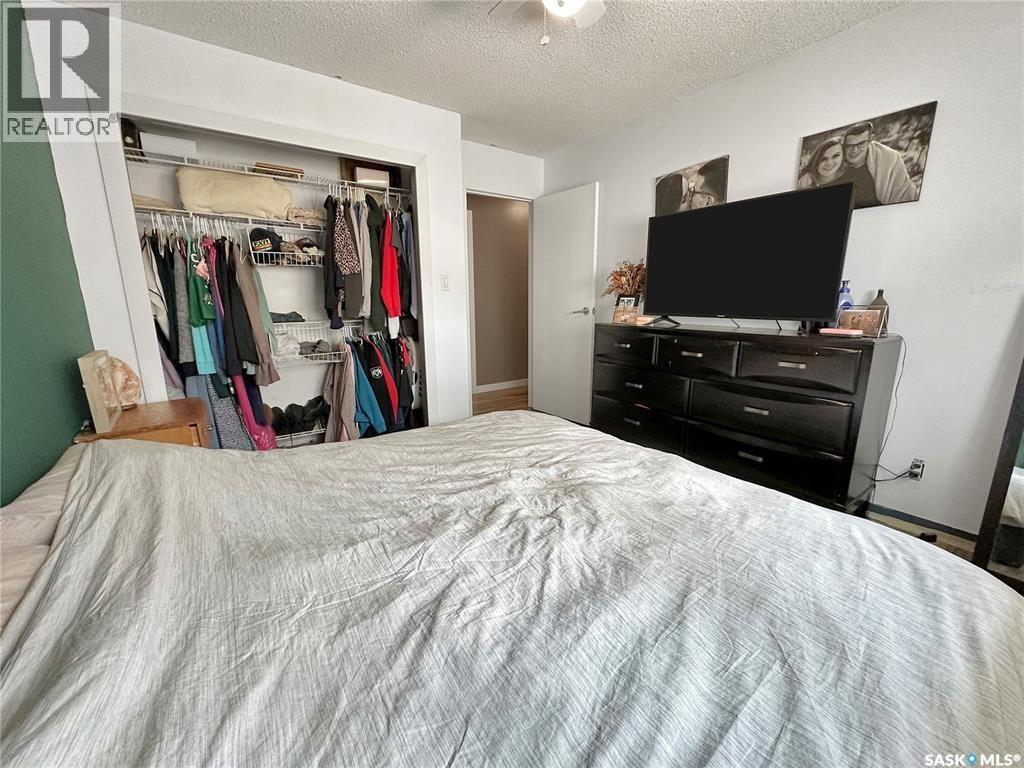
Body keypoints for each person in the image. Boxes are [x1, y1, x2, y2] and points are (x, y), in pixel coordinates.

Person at [835, 121, 916, 207]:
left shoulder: (887, 159)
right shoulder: (837, 163)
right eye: (850, 145)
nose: (854, 150)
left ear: (870, 140)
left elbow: (904, 194)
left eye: (861, 143)